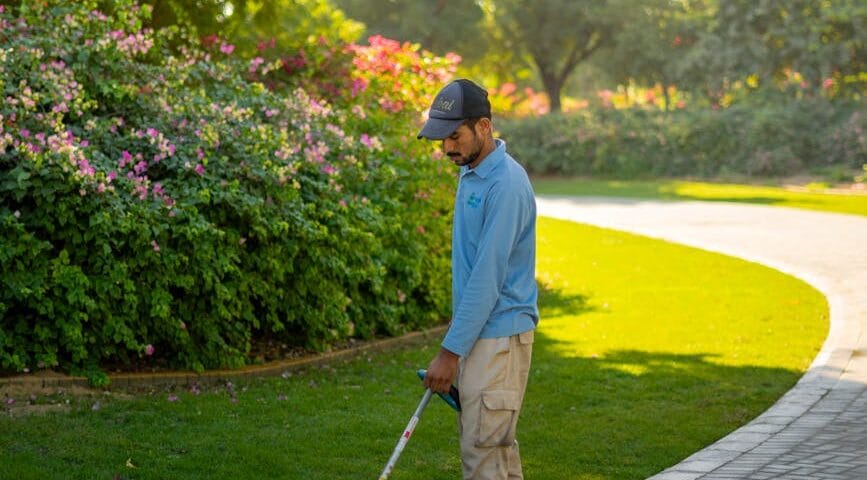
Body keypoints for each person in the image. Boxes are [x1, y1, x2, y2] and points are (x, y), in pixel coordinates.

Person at [417, 79, 539, 479]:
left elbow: (487, 278)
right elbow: (472, 270)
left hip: (500, 337)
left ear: (484, 127)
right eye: (442, 139)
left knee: (482, 454)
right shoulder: (473, 172)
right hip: (482, 335)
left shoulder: (505, 184)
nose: (447, 148)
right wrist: (460, 339)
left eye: (455, 136)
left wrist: (449, 354)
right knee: (496, 454)